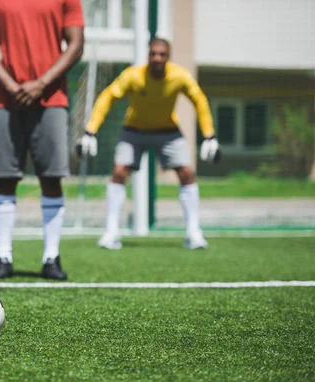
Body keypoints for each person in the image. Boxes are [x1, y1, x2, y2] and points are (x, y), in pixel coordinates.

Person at [78, 37, 220, 250]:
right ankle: (111, 233)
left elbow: (199, 100)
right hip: (134, 130)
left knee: (187, 173)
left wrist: (209, 135)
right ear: (148, 55)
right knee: (118, 172)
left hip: (168, 131)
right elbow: (108, 97)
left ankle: (193, 233)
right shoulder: (133, 76)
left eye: (162, 54)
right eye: (153, 53)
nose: (157, 58)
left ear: (168, 57)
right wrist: (90, 130)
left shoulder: (179, 76)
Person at [0, 0, 85, 280]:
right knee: (6, 177)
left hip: (52, 99)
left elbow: (75, 44)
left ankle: (51, 258)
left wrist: (41, 83)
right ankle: (3, 257)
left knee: (51, 177)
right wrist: (12, 86)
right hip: (7, 101)